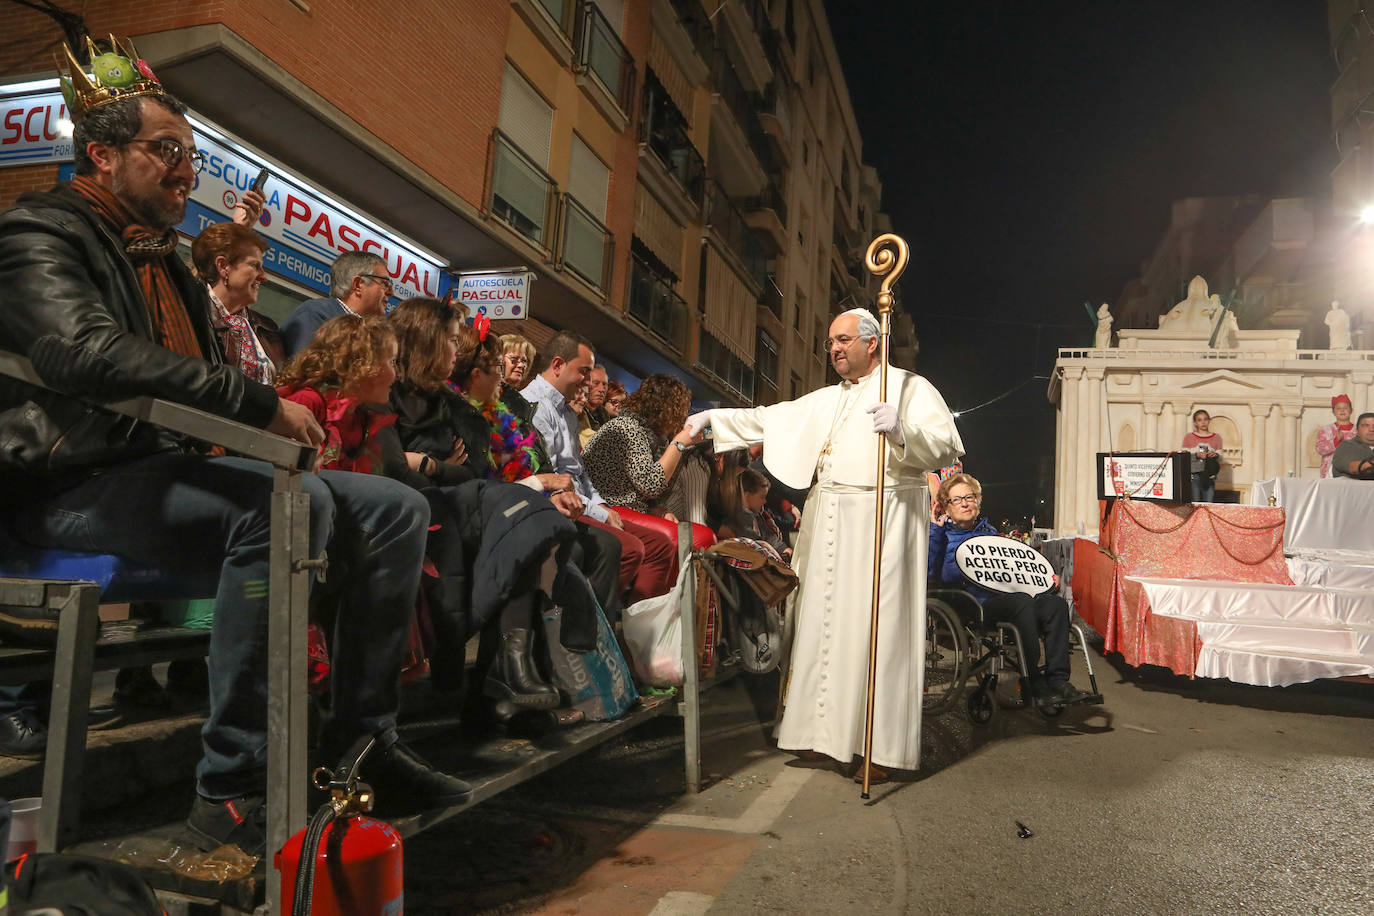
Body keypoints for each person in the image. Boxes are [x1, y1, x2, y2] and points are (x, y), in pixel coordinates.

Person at [0, 54, 470, 853]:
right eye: (167, 151)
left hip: (157, 473)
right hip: (64, 486)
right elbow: (83, 353)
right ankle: (232, 787)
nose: (187, 170)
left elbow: (199, 379)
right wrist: (260, 408)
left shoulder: (161, 259)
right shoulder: (36, 231)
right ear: (103, 156)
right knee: (287, 503)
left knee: (397, 506)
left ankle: (362, 745)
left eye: (191, 155)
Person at [683, 307, 962, 780]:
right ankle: (819, 737)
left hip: (882, 520)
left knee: (876, 632)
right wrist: (712, 418)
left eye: (843, 339)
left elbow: (945, 447)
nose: (833, 348)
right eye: (830, 341)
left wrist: (901, 429)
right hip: (830, 518)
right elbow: (771, 419)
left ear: (872, 342)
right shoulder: (829, 398)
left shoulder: (911, 389)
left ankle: (879, 749)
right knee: (818, 628)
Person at [524, 331, 676, 606]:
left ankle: (632, 630)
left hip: (585, 503)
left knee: (660, 545)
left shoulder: (566, 411)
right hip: (557, 505)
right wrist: (599, 511)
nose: (587, 382)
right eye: (582, 372)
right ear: (557, 365)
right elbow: (553, 480)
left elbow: (580, 474)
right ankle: (587, 627)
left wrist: (602, 506)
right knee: (626, 548)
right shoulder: (534, 406)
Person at [926, 474, 1091, 707]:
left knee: (1055, 605)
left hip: (1007, 597)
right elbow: (930, 573)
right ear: (946, 507)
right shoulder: (941, 536)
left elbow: (1015, 569)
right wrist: (935, 530)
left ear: (977, 501)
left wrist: (1043, 580)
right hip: (972, 604)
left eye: (969, 497)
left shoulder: (990, 533)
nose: (964, 503)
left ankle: (1057, 681)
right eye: (956, 499)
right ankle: (1032, 681)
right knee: (1021, 602)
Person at [582, 373, 715, 558]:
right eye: (680, 410)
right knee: (696, 538)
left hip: (627, 508)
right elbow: (651, 485)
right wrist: (678, 443)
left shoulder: (651, 435)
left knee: (700, 536)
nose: (682, 416)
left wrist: (658, 509)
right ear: (665, 409)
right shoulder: (628, 428)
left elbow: (653, 490)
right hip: (610, 508)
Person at [191, 221, 283, 383]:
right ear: (223, 266)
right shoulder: (190, 314)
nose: (264, 276)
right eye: (255, 266)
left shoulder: (267, 328)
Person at [280, 250, 393, 356]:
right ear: (358, 284)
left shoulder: (371, 333)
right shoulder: (314, 315)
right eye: (385, 283)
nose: (391, 292)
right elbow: (303, 371)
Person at [728, 469, 791, 562]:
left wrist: (783, 549)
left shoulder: (758, 517)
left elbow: (769, 537)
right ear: (747, 495)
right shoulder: (738, 519)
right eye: (762, 497)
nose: (765, 501)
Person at [1181, 409, 1222, 502]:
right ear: (1195, 423)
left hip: (1209, 475)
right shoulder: (1189, 437)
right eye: (1199, 420)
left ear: (1209, 421)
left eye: (1205, 419)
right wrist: (1197, 455)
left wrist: (1215, 455)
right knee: (1196, 503)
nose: (1203, 422)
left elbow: (1221, 457)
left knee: (1209, 503)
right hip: (1194, 475)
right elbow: (1184, 457)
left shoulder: (1216, 437)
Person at [1316, 394, 1357, 479]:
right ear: (1333, 412)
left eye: (1345, 408)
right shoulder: (1326, 430)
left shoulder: (1358, 431)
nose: (1342, 410)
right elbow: (1320, 449)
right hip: (1330, 473)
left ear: (1351, 410)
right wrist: (1336, 441)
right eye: (1338, 408)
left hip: (1353, 471)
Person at [1333, 412, 1374, 479]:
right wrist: (1368, 466)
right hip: (1352, 488)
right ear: (1357, 430)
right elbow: (1357, 467)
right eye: (1366, 425)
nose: (1372, 429)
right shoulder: (1346, 446)